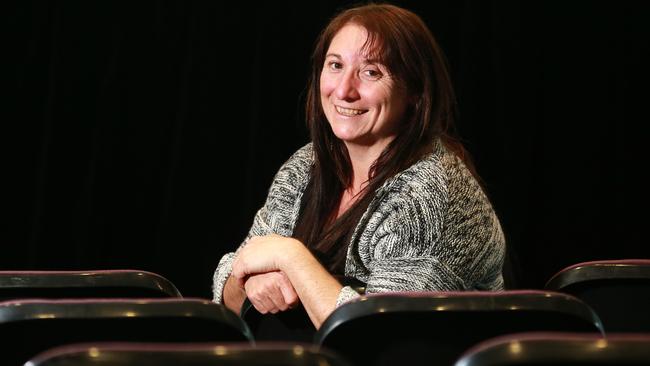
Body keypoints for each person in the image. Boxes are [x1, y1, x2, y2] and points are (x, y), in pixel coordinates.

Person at [212, 3, 506, 330]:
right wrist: (249, 283)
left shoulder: (431, 194)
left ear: (415, 91)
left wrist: (290, 258)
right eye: (335, 65)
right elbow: (230, 287)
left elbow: (380, 338)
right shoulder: (305, 165)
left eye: (371, 72)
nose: (344, 90)